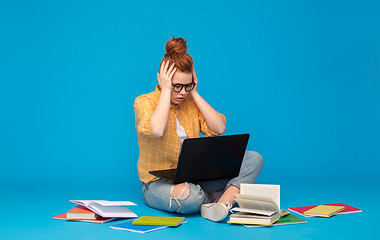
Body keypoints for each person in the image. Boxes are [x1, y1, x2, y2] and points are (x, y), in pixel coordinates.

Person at [134, 37, 263, 222]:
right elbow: (157, 130)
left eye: (187, 86)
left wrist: (194, 92)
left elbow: (219, 127)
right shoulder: (144, 102)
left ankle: (222, 205)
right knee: (190, 197)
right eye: (176, 86)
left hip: (195, 177)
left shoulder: (190, 100)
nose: (181, 93)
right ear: (162, 80)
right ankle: (218, 197)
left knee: (253, 158)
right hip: (158, 183)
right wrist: (165, 91)